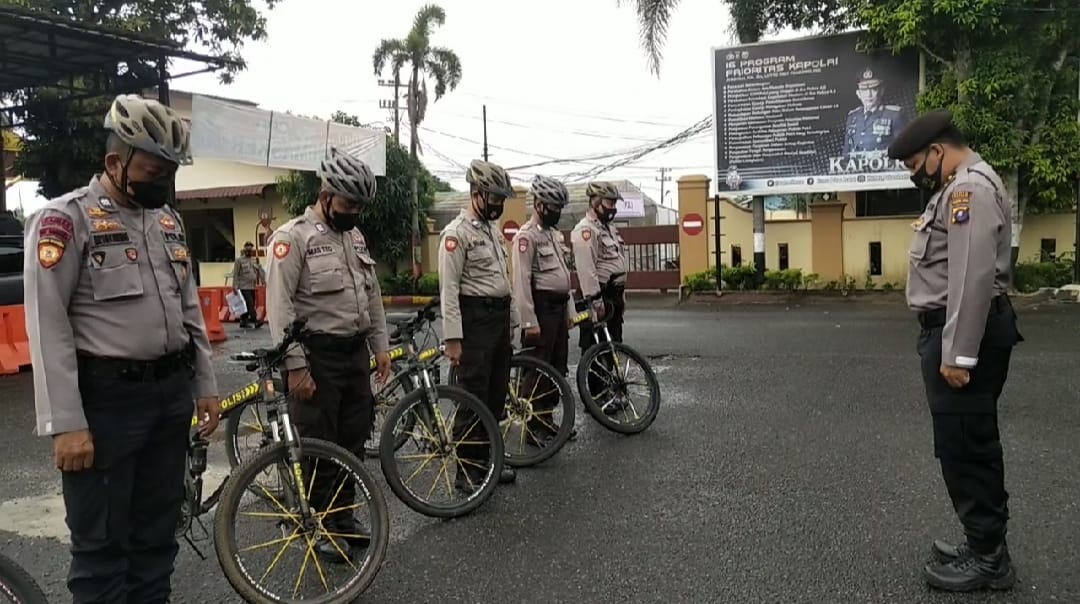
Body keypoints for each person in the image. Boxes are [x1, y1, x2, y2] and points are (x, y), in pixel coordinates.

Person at [23, 93, 221, 604]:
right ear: (115, 162)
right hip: (106, 405)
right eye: (154, 172)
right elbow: (47, 325)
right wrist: (66, 424)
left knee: (157, 540)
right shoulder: (65, 220)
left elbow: (189, 309)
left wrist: (204, 384)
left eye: (169, 173)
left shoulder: (168, 222)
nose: (163, 183)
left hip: (169, 399)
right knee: (102, 552)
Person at [887, 109, 1021, 592]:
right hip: (954, 330)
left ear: (937, 152)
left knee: (967, 446)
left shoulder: (969, 191)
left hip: (963, 334)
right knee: (962, 442)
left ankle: (989, 559)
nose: (916, 176)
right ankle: (982, 541)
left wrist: (958, 355)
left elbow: (970, 279)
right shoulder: (958, 187)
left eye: (915, 166)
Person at [264, 148, 391, 559]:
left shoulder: (355, 237)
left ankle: (343, 518)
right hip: (315, 357)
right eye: (348, 204)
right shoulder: (292, 238)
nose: (354, 212)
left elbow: (372, 297)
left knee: (353, 441)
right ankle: (317, 525)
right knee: (319, 444)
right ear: (325, 195)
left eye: (359, 206)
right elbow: (279, 307)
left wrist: (380, 347)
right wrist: (295, 366)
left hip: (353, 354)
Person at [439, 158, 520, 490]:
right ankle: (467, 471)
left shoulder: (491, 231)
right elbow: (449, 290)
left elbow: (504, 280)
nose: (499, 205)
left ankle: (488, 462)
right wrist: (453, 338)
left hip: (498, 319)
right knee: (473, 397)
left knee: (495, 396)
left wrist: (513, 320)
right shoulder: (456, 234)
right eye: (494, 198)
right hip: (474, 321)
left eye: (501, 199)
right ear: (476, 193)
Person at [510, 175, 576, 444]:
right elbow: (521, 281)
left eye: (559, 207)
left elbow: (564, 275)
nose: (557, 211)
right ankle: (532, 427)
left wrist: (570, 312)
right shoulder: (526, 237)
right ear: (538, 204)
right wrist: (529, 322)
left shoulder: (553, 235)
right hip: (541, 309)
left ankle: (546, 419)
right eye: (553, 206)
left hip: (558, 309)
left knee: (556, 368)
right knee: (537, 369)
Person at [570, 181, 630, 408]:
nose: (613, 207)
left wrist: (621, 297)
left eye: (614, 203)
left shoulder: (608, 228)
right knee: (594, 347)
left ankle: (610, 391)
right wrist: (595, 301)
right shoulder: (585, 230)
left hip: (613, 294)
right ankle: (596, 398)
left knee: (613, 343)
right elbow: (587, 270)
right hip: (597, 296)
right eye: (609, 203)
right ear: (595, 202)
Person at [843, 67, 908, 156]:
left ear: (881, 91)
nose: (869, 95)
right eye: (864, 90)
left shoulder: (894, 115)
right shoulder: (853, 117)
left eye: (873, 89)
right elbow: (846, 151)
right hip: (856, 164)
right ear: (858, 94)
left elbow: (903, 149)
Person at [231, 241, 265, 328]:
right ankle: (255, 320)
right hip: (243, 286)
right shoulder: (239, 260)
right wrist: (234, 286)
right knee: (250, 304)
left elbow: (259, 271)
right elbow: (235, 274)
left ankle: (243, 321)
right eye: (247, 250)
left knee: (248, 304)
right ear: (244, 250)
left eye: (250, 250)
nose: (248, 252)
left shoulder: (254, 260)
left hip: (252, 286)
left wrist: (264, 281)